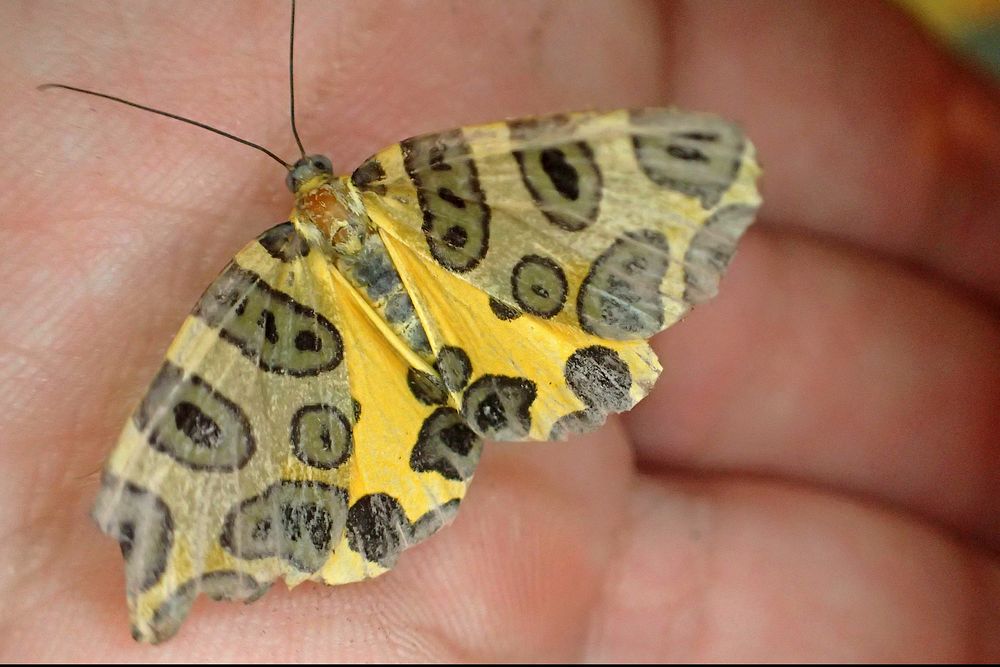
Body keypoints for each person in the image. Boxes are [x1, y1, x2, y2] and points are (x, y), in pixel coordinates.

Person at [1, 0, 997, 660]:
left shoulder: (262, 281)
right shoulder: (413, 182)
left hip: (414, 396)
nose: (312, 193)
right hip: (486, 349)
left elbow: (640, 171)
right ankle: (184, 550)